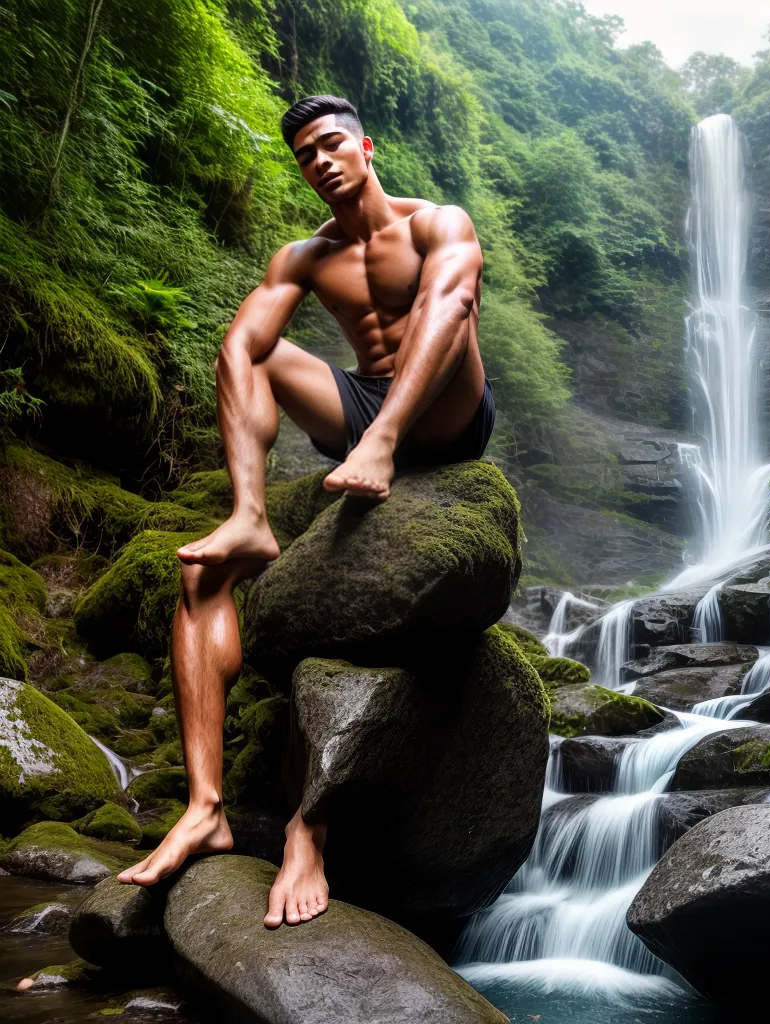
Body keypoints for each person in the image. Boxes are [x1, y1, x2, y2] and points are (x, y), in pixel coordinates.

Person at [116, 95, 494, 928]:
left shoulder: (438, 222)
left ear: (363, 144)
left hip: (442, 411)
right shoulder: (303, 256)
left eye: (331, 145)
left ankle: (384, 442)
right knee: (242, 346)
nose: (320, 161)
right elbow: (247, 351)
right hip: (357, 402)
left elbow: (451, 300)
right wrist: (256, 502)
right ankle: (207, 807)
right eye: (305, 156)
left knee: (450, 299)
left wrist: (383, 439)